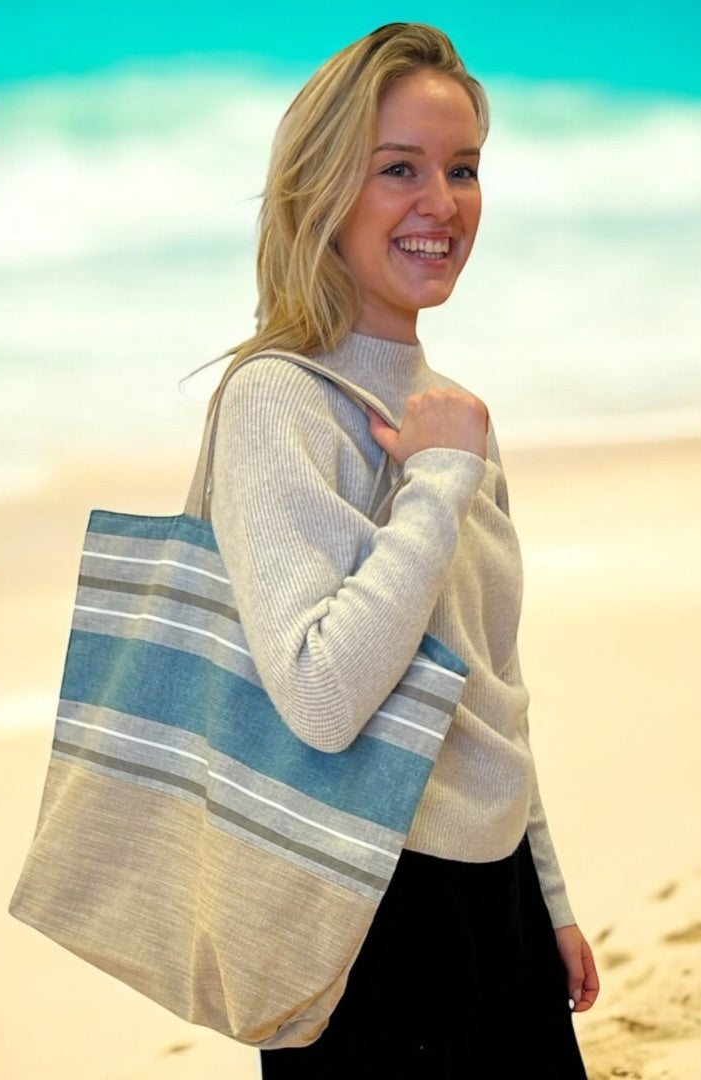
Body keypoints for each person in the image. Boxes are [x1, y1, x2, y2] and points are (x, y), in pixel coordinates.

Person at [206, 23, 599, 1078]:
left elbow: (489, 684)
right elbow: (323, 697)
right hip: (367, 907)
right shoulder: (276, 401)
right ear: (321, 192)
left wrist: (546, 897)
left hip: (495, 887)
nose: (445, 202)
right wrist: (435, 484)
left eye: (463, 169)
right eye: (399, 170)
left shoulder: (453, 418)